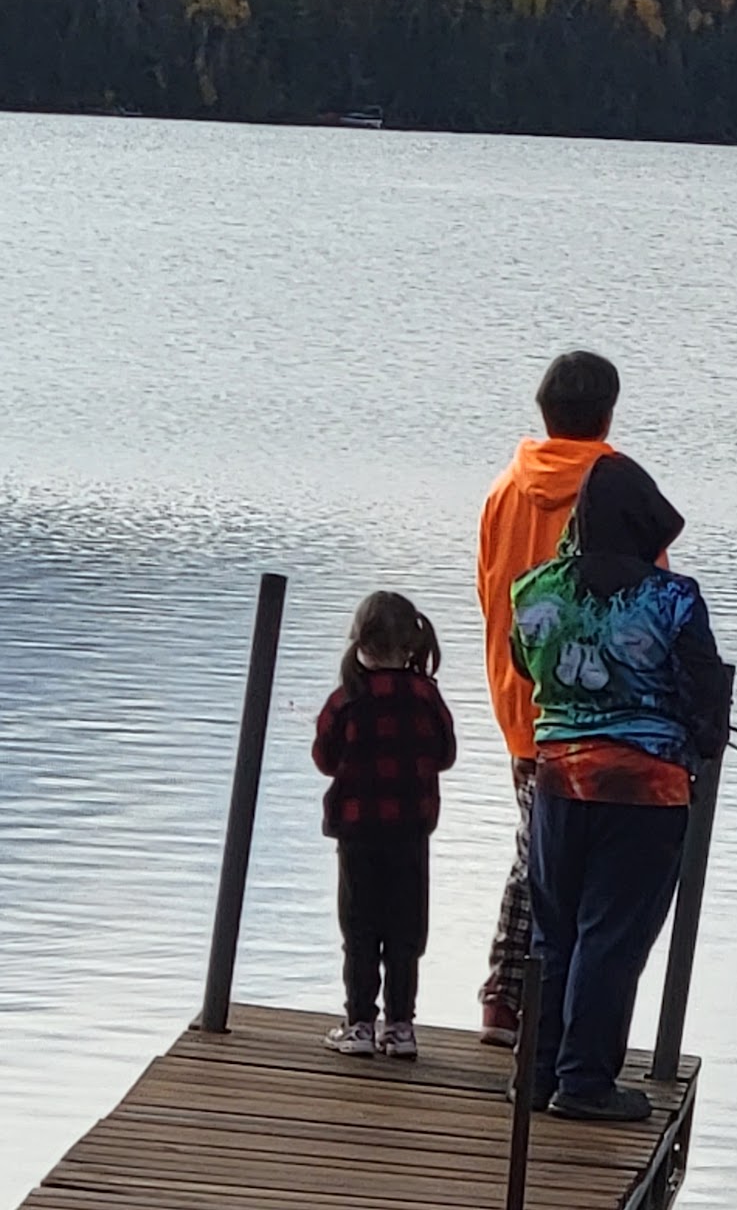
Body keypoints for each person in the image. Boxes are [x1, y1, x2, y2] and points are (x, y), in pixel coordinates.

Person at [513, 452, 730, 1122]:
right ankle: (583, 1084)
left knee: (552, 935)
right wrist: (697, 731)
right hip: (646, 796)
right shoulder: (674, 599)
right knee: (610, 937)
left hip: (555, 785)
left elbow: (529, 670)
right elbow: (705, 707)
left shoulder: (533, 590)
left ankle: (536, 1073)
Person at [476, 350, 624, 1047]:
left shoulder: (505, 489)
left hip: (520, 700)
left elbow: (488, 592)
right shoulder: (615, 488)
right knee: (557, 861)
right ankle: (513, 998)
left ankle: (518, 999)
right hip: (593, 704)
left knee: (540, 846)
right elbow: (641, 604)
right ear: (608, 413)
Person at [313, 590, 456, 1061]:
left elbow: (325, 759)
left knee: (358, 929)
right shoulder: (425, 696)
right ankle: (400, 1026)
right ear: (411, 645)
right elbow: (445, 755)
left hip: (357, 836)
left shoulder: (346, 700)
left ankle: (358, 1023)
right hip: (411, 834)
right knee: (405, 932)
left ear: (360, 641)